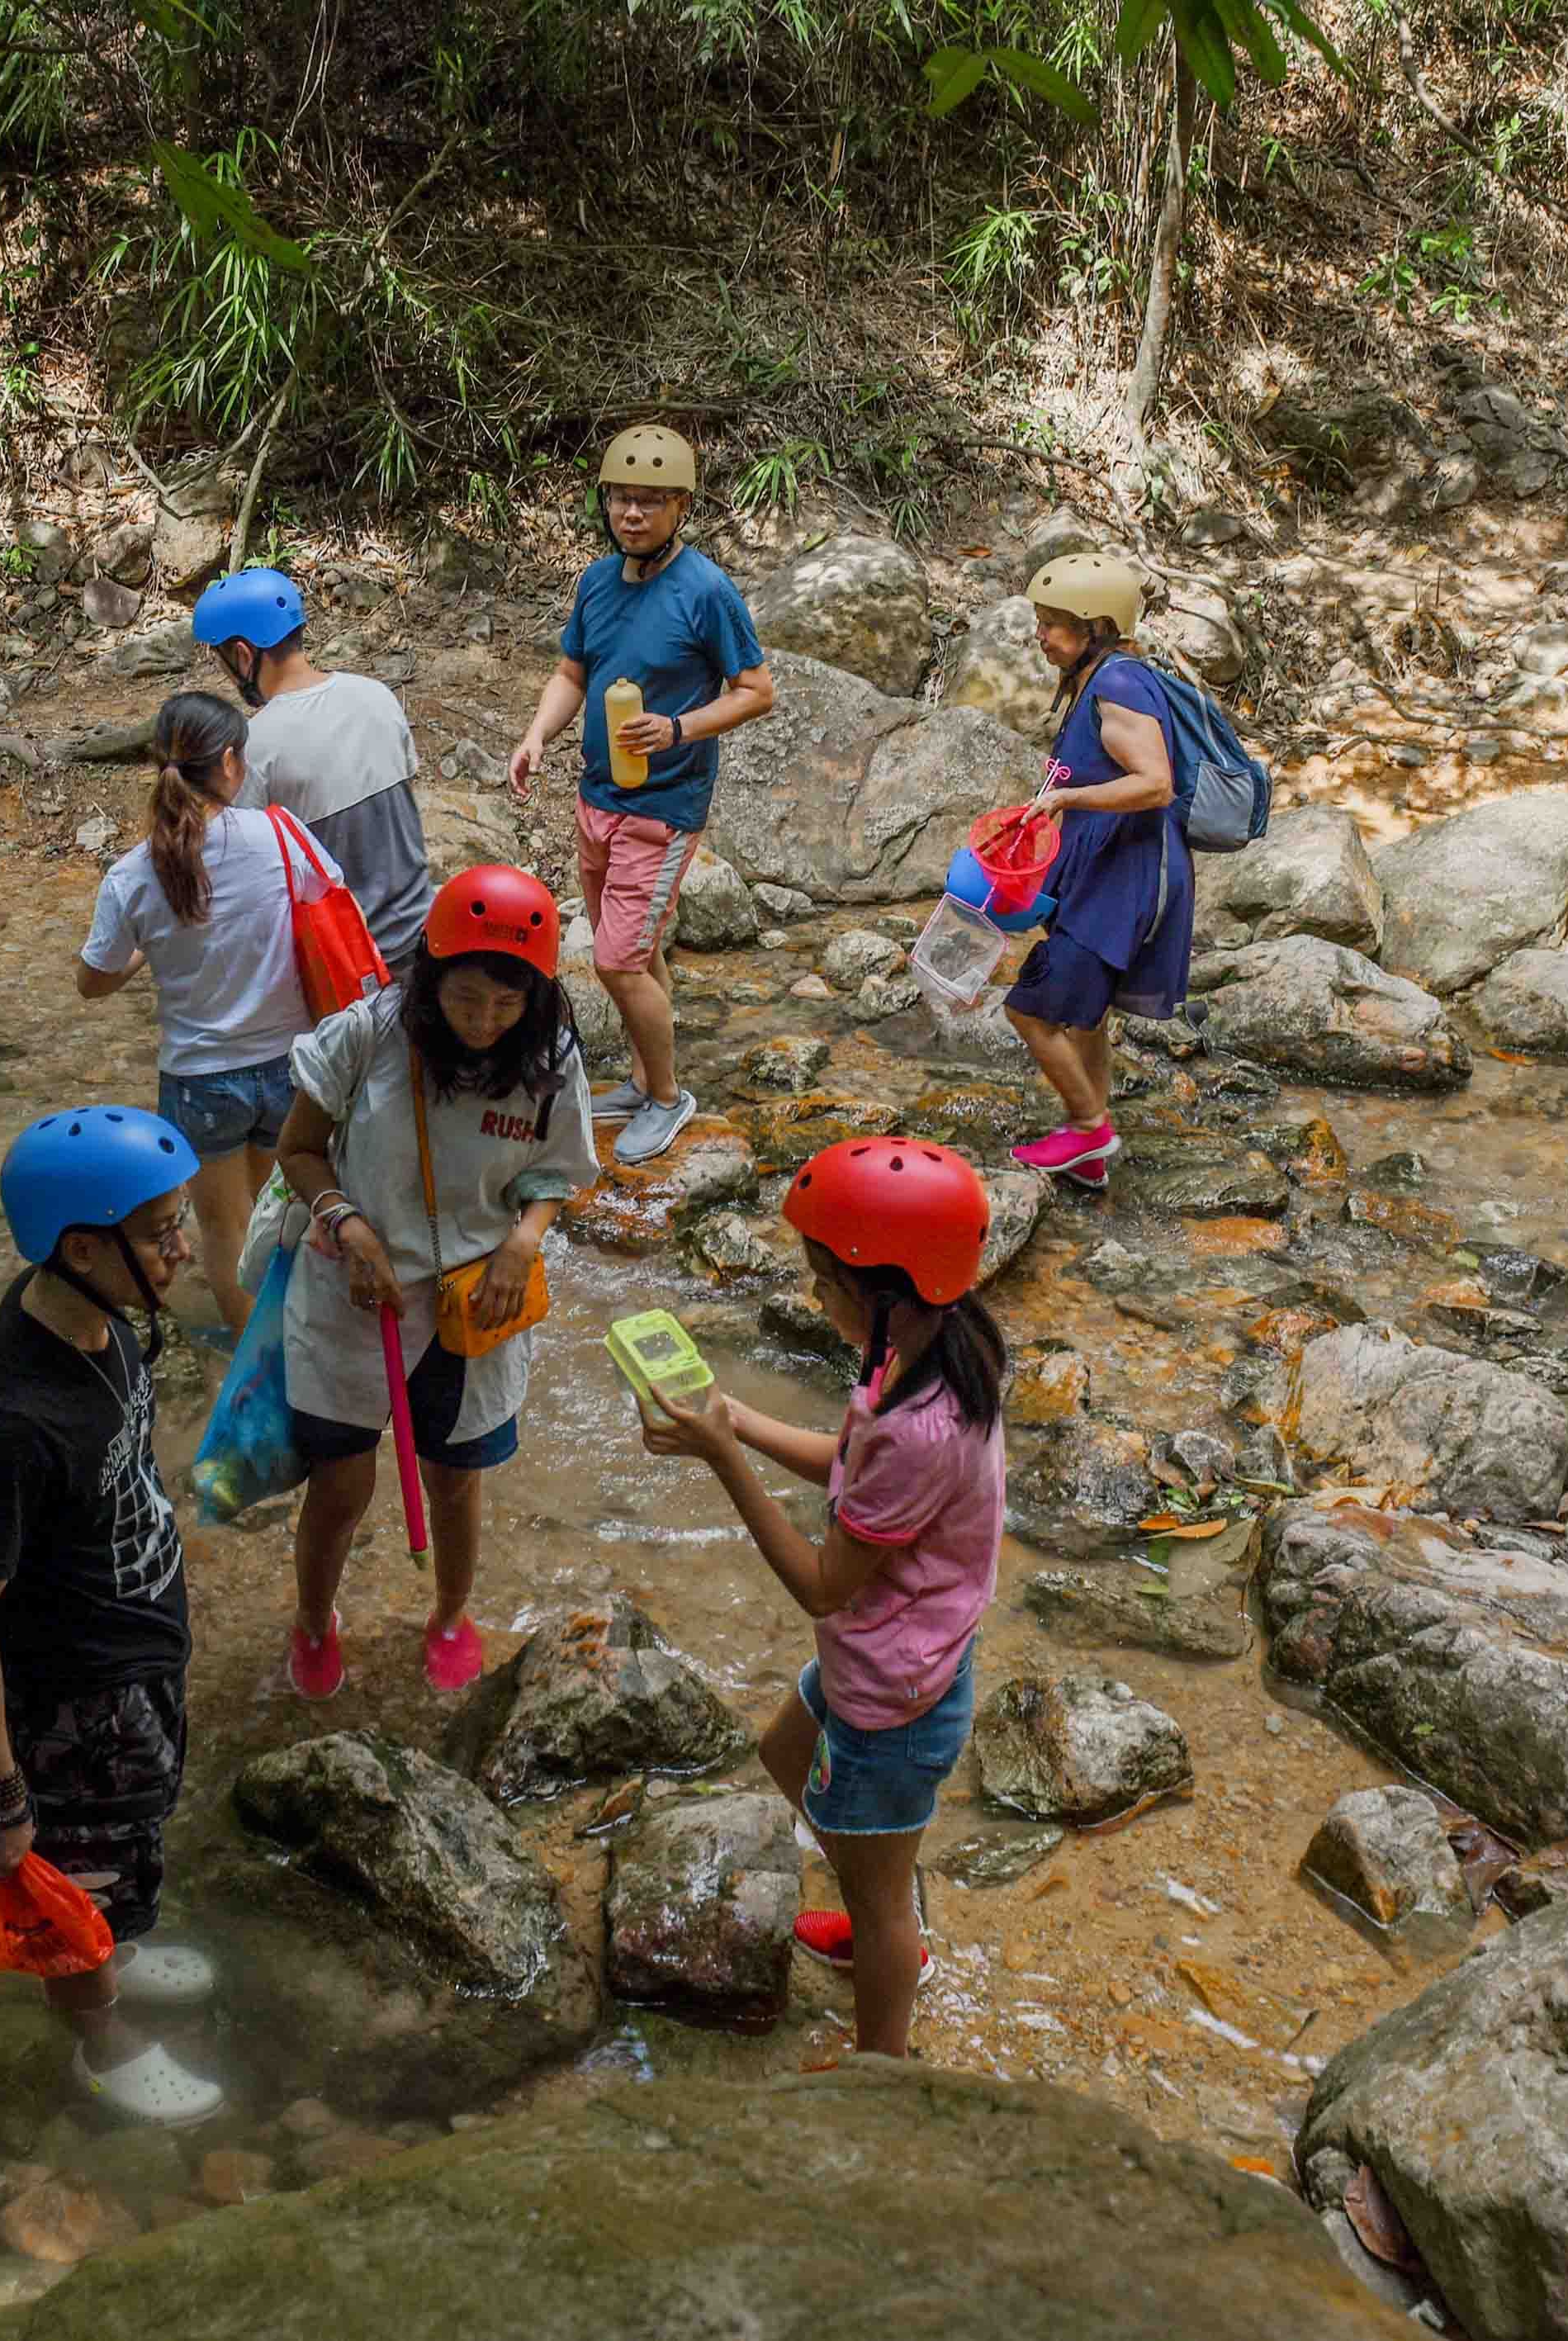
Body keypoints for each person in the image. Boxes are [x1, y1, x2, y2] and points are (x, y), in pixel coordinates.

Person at [636, 1138, 1007, 2060]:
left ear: (883, 1291)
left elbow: (818, 1582)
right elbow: (851, 1467)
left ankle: (882, 2057)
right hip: (889, 1655)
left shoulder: (924, 1427)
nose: (814, 1299)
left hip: (892, 1690)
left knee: (879, 1903)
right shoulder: (925, 1354)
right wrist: (734, 1419)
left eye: (824, 1283)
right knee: (782, 1752)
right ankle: (879, 1889)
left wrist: (724, 1463)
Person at [0, 1105, 225, 2126]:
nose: (183, 1247)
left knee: (129, 1848)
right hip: (72, 1698)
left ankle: (124, 1950)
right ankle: (98, 2040)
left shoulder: (95, 1315)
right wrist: (0, 1795)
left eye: (179, 1220)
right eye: (160, 1234)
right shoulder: (7, 1426)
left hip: (135, 1645)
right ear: (83, 1247)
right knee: (76, 1888)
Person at [270, 864, 599, 1698]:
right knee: (341, 1483)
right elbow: (298, 1149)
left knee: (455, 1481)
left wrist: (523, 1243)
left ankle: (451, 1613)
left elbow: (555, 1175)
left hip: (471, 1301)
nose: (485, 1022)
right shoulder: (367, 1035)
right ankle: (313, 1621)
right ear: (431, 977)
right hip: (355, 1287)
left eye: (505, 1003)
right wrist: (346, 1222)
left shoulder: (549, 1058)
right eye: (465, 1000)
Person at [503, 424, 776, 1166]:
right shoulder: (596, 581)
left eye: (650, 502)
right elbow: (571, 673)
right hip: (598, 797)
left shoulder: (706, 591)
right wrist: (537, 738)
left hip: (663, 807)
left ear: (680, 507)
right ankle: (643, 1077)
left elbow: (757, 691)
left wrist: (680, 726)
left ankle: (667, 1098)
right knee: (635, 951)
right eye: (623, 498)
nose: (633, 514)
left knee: (619, 962)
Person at [78, 691, 324, 1333]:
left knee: (224, 1229)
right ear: (232, 763)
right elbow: (327, 903)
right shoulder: (279, 835)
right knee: (280, 1211)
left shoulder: (131, 873)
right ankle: (295, 1337)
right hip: (289, 1067)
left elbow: (92, 983)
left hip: (199, 1079)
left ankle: (248, 1363)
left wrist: (142, 955)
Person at [997, 552, 1191, 1191]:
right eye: (1040, 619)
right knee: (1087, 1017)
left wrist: (1065, 800)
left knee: (1030, 1011)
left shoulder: (1119, 685)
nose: (1040, 633)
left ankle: (1089, 1127)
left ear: (1097, 629)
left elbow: (1155, 784)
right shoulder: (1098, 680)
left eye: (1053, 623)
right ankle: (1090, 1153)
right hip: (1101, 874)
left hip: (1118, 884)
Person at [195, 566, 436, 967]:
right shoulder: (377, 696)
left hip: (354, 963)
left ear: (243, 654)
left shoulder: (257, 745)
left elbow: (243, 871)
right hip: (424, 939)